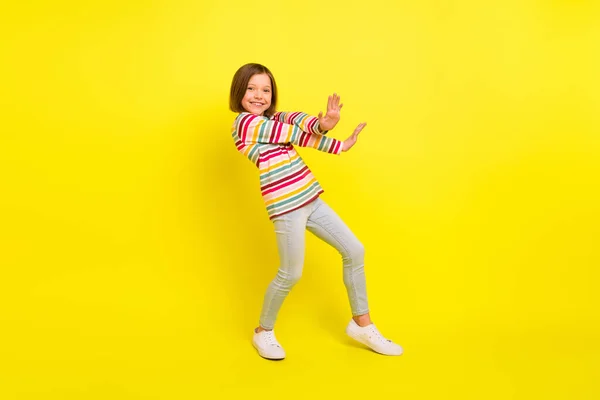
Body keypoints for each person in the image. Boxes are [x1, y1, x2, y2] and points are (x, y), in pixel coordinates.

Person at [229, 62, 403, 360]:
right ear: (239, 93)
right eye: (251, 89)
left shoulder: (274, 117)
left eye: (266, 90)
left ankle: (362, 323)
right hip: (285, 207)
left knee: (354, 250)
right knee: (291, 273)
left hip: (309, 197)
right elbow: (292, 133)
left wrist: (329, 131)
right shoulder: (246, 124)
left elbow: (297, 120)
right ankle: (263, 332)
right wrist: (328, 135)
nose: (259, 95)